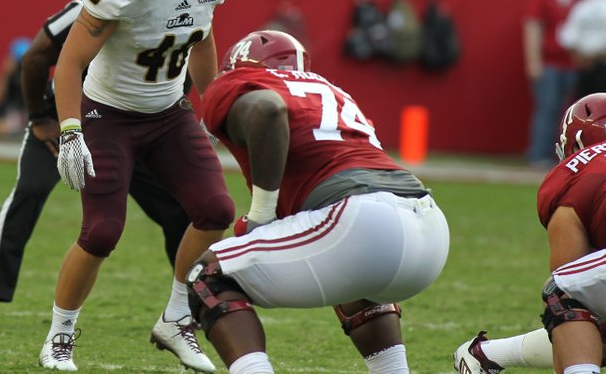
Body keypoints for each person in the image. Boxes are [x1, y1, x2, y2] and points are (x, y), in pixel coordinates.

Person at [39, 0, 236, 373]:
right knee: (102, 231)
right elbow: (69, 62)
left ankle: (175, 318)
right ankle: (60, 334)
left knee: (215, 209)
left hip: (169, 113)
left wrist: (213, 105)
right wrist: (69, 129)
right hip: (109, 115)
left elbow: (203, 35)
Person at [191, 30, 450, 374]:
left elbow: (267, 110)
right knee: (356, 283)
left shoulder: (242, 81)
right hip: (428, 227)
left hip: (360, 220)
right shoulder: (333, 92)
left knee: (206, 276)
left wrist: (262, 215)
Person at [0, 0, 191, 326]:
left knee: (178, 209)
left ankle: (191, 299)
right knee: (29, 191)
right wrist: (41, 118)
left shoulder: (170, 10)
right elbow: (34, 57)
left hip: (128, 127)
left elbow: (180, 74)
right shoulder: (94, 4)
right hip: (69, 120)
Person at [454, 92, 606, 374]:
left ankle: (484, 355)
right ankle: (485, 355)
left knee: (563, 294)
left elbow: (575, 301)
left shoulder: (574, 172)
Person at [523, 0, 587, 168]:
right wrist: (533, 60)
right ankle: (538, 154)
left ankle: (564, 155)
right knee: (547, 108)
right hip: (550, 62)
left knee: (569, 112)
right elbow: (533, 26)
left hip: (571, 63)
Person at [559, 0, 606, 99]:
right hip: (600, 65)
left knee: (585, 110)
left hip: (584, 66)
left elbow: (567, 38)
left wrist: (581, 59)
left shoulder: (583, 5)